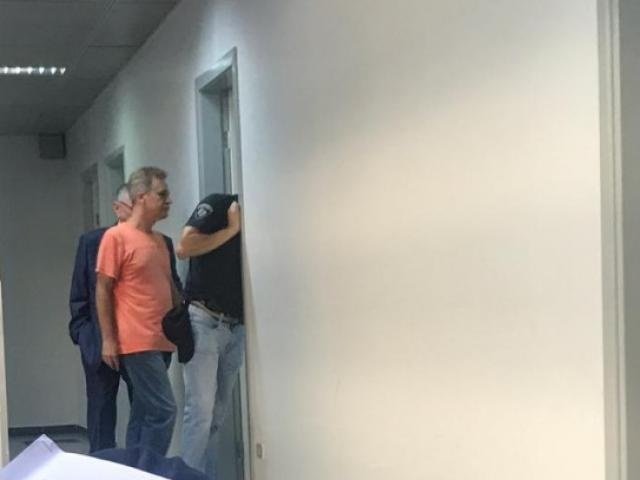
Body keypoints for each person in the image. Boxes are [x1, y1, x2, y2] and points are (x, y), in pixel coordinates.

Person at [69, 183, 181, 453]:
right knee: (101, 414)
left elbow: (172, 288)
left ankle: (139, 466)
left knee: (146, 412)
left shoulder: (160, 243)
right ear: (118, 209)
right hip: (100, 344)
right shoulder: (93, 242)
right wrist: (86, 337)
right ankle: (102, 468)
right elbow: (80, 295)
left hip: (144, 343)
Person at [178, 193, 244, 478]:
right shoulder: (220, 205)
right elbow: (185, 246)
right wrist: (231, 229)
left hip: (237, 327)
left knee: (216, 415)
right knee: (201, 413)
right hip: (204, 320)